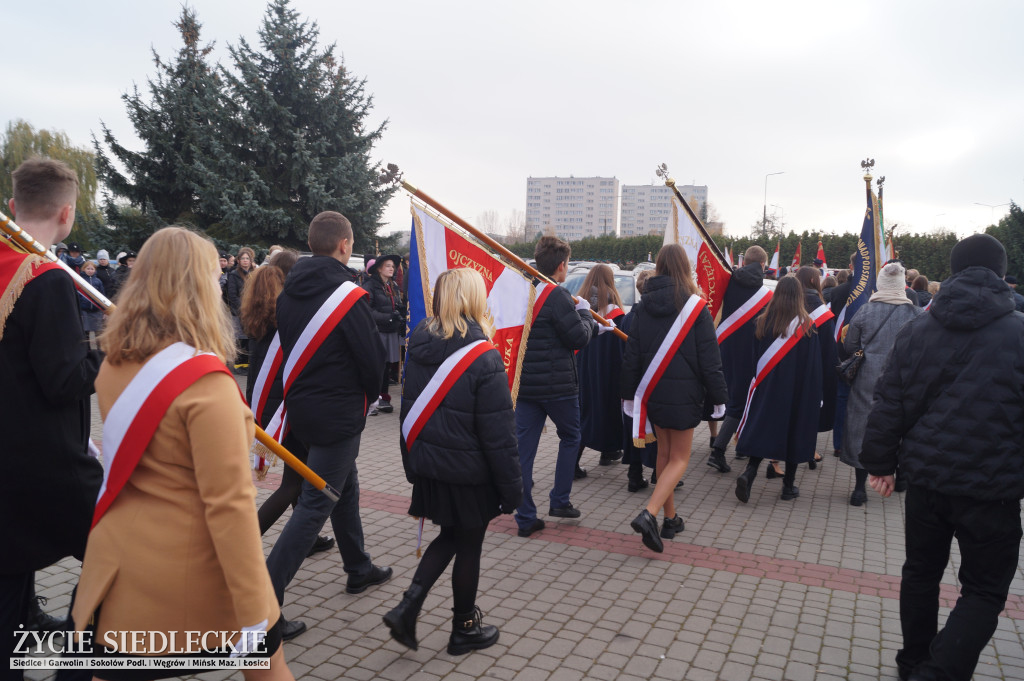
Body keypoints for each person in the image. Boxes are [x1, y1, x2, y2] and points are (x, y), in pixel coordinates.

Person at [72, 226, 293, 680]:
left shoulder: (116, 362)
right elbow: (229, 506)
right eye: (214, 278)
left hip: (116, 566)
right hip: (187, 572)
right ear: (197, 288)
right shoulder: (207, 386)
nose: (219, 287)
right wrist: (258, 611)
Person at [861, 234, 1024, 681]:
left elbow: (889, 400)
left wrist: (880, 463)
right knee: (985, 591)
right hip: (994, 487)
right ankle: (933, 671)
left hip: (929, 480)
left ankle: (916, 662)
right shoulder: (1019, 333)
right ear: (1001, 274)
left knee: (921, 573)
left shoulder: (919, 328)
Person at [265, 211, 391, 641]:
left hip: (302, 411)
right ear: (344, 245)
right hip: (338, 416)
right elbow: (372, 360)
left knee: (345, 485)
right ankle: (263, 603)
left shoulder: (288, 292)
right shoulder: (348, 297)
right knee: (316, 504)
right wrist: (372, 394)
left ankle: (358, 567)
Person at [384, 268, 522, 655]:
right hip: (469, 474)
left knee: (450, 536)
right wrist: (513, 490)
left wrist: (413, 466)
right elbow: (499, 435)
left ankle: (408, 606)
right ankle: (463, 629)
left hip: (432, 467)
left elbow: (408, 411)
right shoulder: (484, 355)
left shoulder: (421, 344)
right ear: (473, 299)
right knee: (469, 544)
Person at [1, 158, 103, 679]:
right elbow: (63, 380)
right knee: (114, 554)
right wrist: (105, 353)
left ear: (14, 207)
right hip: (43, 462)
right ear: (68, 214)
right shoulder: (44, 278)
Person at [621, 244, 727, 552]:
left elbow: (632, 356)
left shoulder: (642, 305)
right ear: (684, 268)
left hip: (653, 392)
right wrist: (720, 396)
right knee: (680, 459)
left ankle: (671, 519)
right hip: (685, 393)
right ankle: (649, 513)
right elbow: (710, 359)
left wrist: (628, 395)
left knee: (664, 457)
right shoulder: (697, 306)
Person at [240, 265, 334, 557]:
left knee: (298, 475)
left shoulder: (258, 321)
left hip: (262, 406)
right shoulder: (284, 324)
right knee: (293, 483)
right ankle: (245, 545)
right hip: (281, 411)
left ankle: (307, 536)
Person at [514, 236, 597, 538]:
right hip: (559, 387)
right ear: (562, 266)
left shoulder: (522, 291)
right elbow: (577, 338)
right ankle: (560, 500)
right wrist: (586, 314)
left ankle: (524, 517)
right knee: (571, 436)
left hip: (525, 387)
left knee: (524, 450)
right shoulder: (557, 295)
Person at [840, 261, 923, 505]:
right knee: (902, 426)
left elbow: (850, 346)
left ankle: (859, 489)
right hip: (905, 381)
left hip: (868, 378)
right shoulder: (917, 315)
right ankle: (902, 478)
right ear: (902, 285)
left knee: (862, 428)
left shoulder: (865, 311)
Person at [733, 277, 822, 504]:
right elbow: (811, 366)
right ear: (799, 296)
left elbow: (753, 359)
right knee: (793, 433)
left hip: (767, 388)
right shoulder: (807, 326)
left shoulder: (762, 321)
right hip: (796, 392)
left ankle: (749, 473)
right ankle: (788, 487)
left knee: (764, 429)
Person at [708, 245, 771, 471]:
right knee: (741, 403)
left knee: (734, 399)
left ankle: (739, 445)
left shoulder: (729, 280)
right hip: (751, 353)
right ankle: (719, 450)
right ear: (763, 265)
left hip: (724, 348)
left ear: (744, 262)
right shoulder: (765, 293)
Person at [575, 264, 625, 474]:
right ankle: (605, 453)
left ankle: (606, 453)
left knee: (584, 412)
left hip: (582, 368)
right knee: (609, 411)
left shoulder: (579, 305)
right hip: (608, 370)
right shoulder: (615, 312)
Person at [794, 266, 838, 470]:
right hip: (815, 368)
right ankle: (809, 450)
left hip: (787, 365)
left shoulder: (788, 303)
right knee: (811, 408)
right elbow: (829, 349)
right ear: (814, 282)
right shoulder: (821, 311)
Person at [620, 270, 657, 492]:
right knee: (656, 431)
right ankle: (658, 472)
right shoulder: (653, 317)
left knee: (633, 430)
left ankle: (634, 475)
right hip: (651, 382)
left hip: (631, 384)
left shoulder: (627, 318)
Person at [362, 254, 405, 416]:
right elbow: (366, 311)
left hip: (390, 331)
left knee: (386, 366)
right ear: (379, 268)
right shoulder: (370, 286)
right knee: (376, 366)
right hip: (377, 332)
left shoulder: (392, 285)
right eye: (388, 265)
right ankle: (370, 399)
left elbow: (395, 305)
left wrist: (400, 313)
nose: (391, 268)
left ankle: (383, 398)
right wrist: (387, 317)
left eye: (393, 266)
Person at [226, 246, 256, 369]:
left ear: (250, 260)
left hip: (252, 310)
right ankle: (239, 364)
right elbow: (232, 295)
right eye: (242, 258)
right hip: (238, 311)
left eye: (247, 258)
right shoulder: (234, 275)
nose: (245, 261)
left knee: (249, 337)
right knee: (240, 338)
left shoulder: (254, 273)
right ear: (238, 261)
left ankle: (248, 363)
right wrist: (243, 308)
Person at [78, 260, 106, 346]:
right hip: (84, 309)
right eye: (88, 268)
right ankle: (86, 347)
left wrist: (104, 309)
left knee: (96, 330)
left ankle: (96, 348)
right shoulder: (80, 281)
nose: (90, 270)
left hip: (96, 309)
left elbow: (102, 295)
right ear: (83, 269)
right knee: (86, 330)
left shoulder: (98, 281)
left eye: (92, 269)